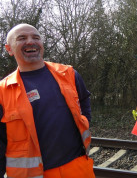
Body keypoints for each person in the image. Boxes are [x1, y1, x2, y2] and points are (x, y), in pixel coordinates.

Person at [0, 24, 95, 178]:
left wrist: (85, 122)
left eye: (36, 37)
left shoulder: (69, 74)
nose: (31, 41)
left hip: (78, 167)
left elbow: (84, 103)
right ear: (9, 49)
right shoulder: (2, 91)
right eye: (22, 38)